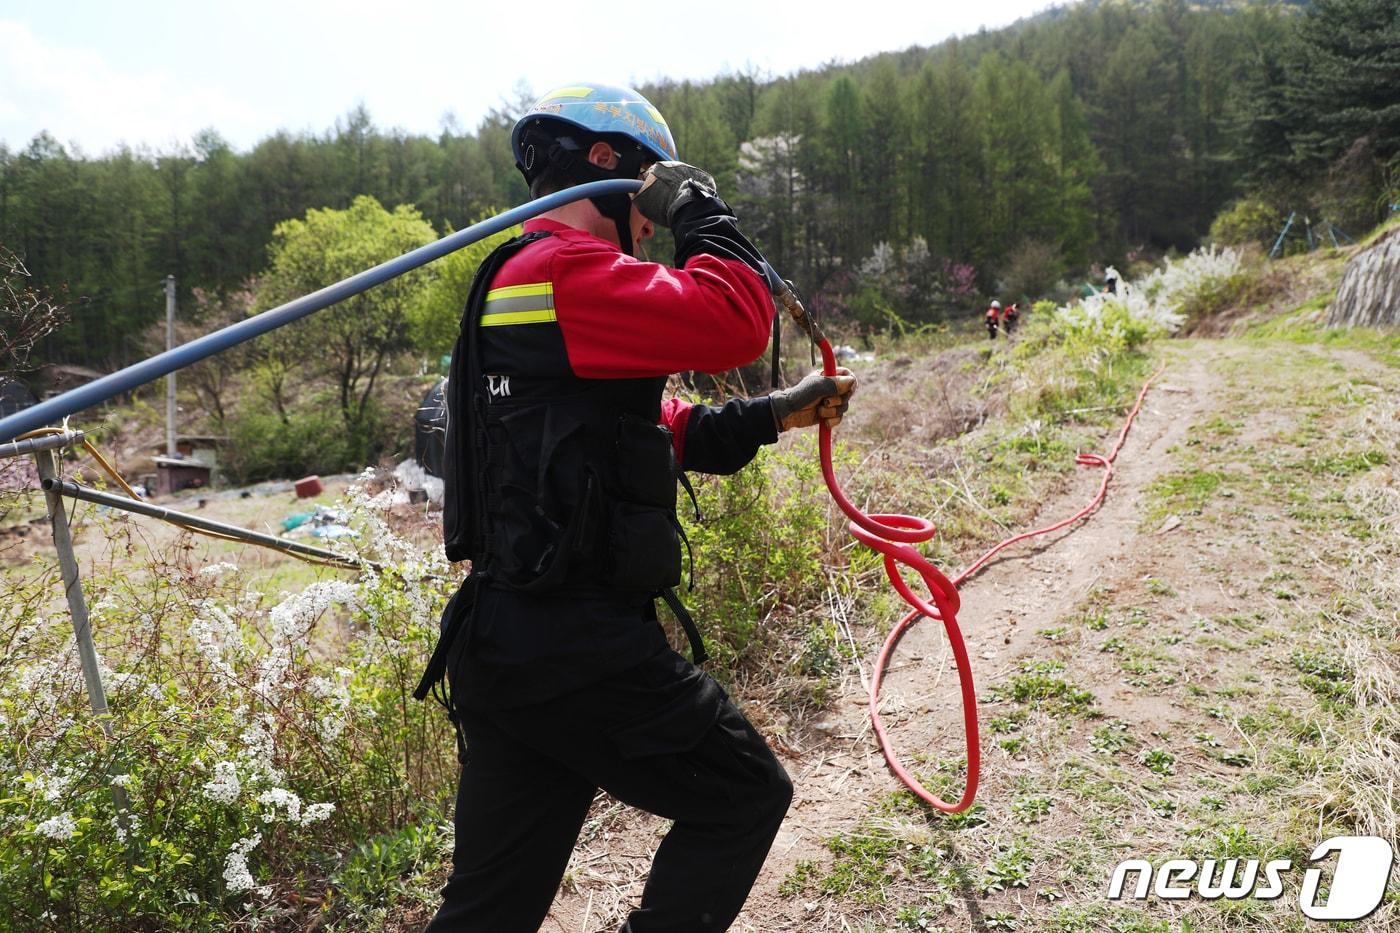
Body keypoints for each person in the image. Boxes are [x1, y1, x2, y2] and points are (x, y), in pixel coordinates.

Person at [414, 84, 855, 933]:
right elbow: (735, 319)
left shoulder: (516, 283)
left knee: (485, 915)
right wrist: (703, 208)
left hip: (504, 644)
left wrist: (775, 412)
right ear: (613, 169)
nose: (649, 227)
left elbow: (652, 431)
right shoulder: (566, 272)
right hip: (580, 648)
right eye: (648, 200)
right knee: (742, 795)